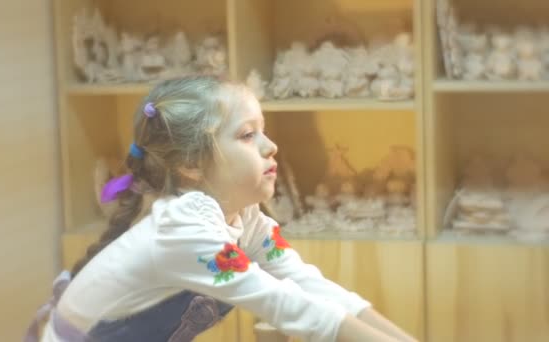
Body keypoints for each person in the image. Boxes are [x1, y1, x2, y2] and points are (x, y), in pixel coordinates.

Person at [26, 75, 417, 342]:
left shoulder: (247, 220)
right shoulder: (185, 232)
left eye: (263, 130)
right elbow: (286, 304)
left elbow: (310, 286)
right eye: (248, 135)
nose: (270, 146)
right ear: (192, 165)